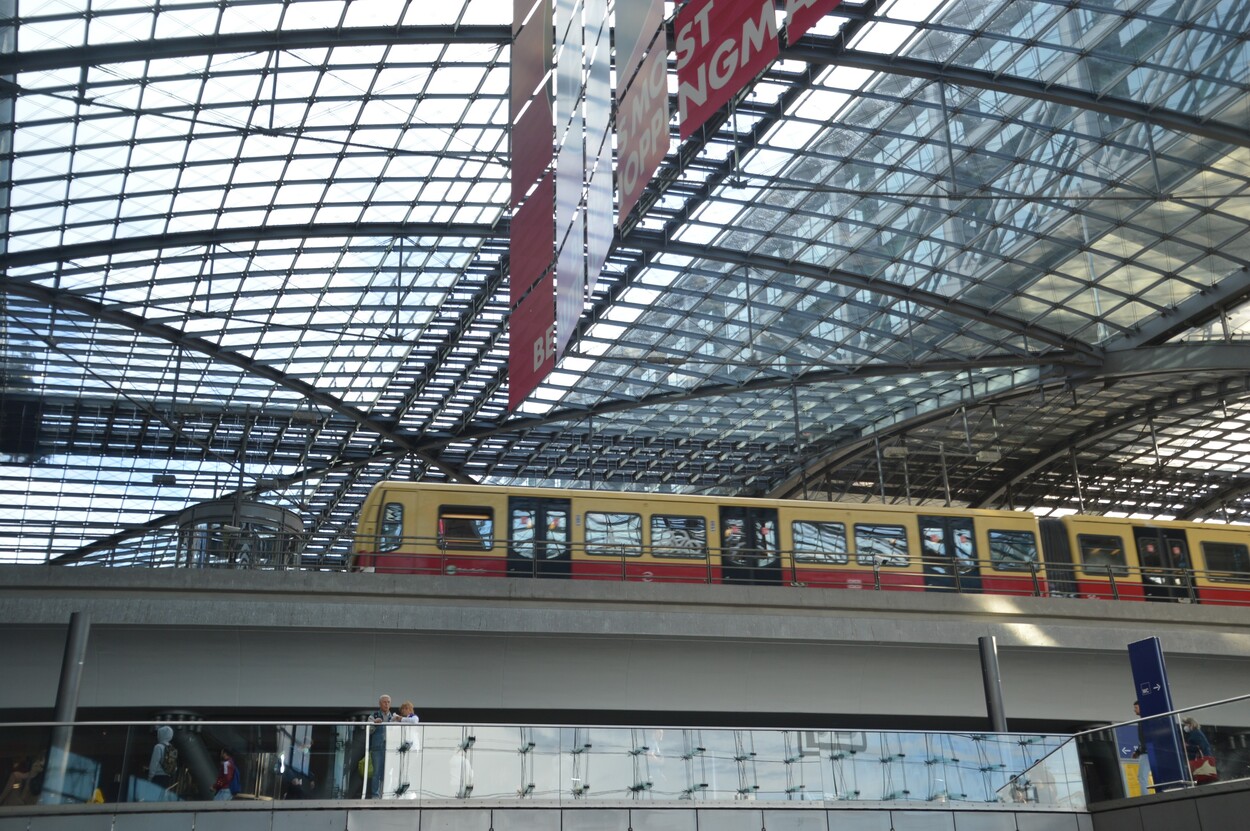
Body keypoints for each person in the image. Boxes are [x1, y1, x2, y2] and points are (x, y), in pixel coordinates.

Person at [367, 694, 397, 797]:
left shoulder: (394, 717)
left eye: (388, 702)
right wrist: (374, 724)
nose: (386, 704)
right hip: (377, 748)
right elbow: (368, 731)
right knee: (376, 773)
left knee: (388, 773)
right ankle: (375, 795)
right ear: (380, 704)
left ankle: (385, 794)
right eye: (384, 702)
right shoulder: (373, 716)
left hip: (390, 749)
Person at [1182, 717, 1218, 782]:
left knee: (1203, 779)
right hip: (1205, 757)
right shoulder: (1197, 732)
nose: (1185, 727)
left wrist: (1188, 746)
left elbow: (1201, 747)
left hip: (1202, 758)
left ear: (1190, 724)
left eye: (1186, 724)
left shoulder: (1195, 733)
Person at [1131, 700, 1151, 796]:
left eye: (1136, 707)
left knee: (1142, 776)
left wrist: (1139, 751)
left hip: (1147, 752)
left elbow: (1144, 739)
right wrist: (1137, 752)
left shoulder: (1144, 721)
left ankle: (1145, 797)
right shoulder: (1145, 720)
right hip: (1148, 751)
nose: (1134, 710)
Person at [148, 725, 175, 793]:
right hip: (167, 777)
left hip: (157, 777)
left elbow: (154, 763)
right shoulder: (171, 747)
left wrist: (150, 777)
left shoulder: (158, 747)